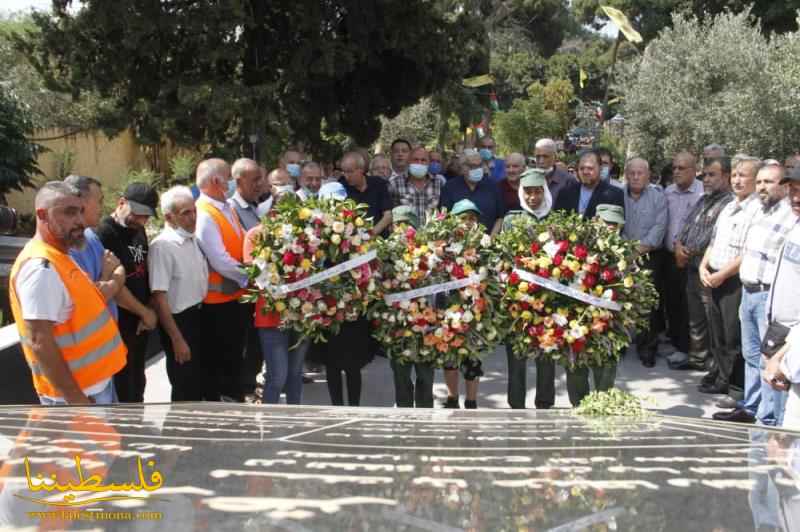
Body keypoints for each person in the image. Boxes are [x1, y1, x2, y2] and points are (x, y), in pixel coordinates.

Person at [9, 182, 126, 405]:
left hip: (94, 389)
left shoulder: (61, 256)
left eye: (81, 211)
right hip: (79, 399)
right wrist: (76, 400)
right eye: (69, 212)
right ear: (42, 215)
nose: (80, 221)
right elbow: (39, 341)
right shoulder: (40, 269)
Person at [713, 163, 795, 425]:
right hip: (748, 292)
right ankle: (751, 407)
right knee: (751, 356)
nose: (762, 187)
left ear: (783, 186)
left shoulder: (791, 216)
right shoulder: (759, 211)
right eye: (759, 182)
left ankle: (769, 418)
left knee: (768, 361)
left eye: (769, 182)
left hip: (767, 296)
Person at [697, 156, 761, 404]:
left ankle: (734, 384)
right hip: (712, 275)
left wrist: (722, 274)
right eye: (734, 175)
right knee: (718, 333)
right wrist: (704, 265)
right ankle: (721, 376)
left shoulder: (755, 210)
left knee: (732, 336)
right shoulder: (730, 206)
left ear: (755, 180)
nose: (737, 180)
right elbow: (714, 241)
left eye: (743, 175)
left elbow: (747, 252)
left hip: (732, 280)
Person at [95, 182, 159, 403]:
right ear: (121, 203)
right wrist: (145, 312)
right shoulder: (104, 233)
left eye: (146, 217)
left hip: (139, 323)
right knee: (123, 387)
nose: (141, 221)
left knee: (137, 382)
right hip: (119, 324)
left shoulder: (138, 230)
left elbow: (144, 272)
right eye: (137, 214)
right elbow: (114, 285)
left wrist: (147, 310)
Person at [673, 157, 734, 385]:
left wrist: (692, 251)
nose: (706, 179)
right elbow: (686, 226)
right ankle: (698, 358)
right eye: (704, 175)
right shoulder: (703, 200)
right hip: (689, 267)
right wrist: (678, 245)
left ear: (726, 176)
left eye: (712, 175)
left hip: (707, 269)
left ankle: (716, 368)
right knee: (695, 318)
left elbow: (714, 238)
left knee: (713, 323)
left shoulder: (729, 203)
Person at [195, 158, 250, 402]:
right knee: (223, 357)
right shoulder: (204, 214)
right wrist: (251, 275)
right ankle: (224, 402)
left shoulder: (226, 207)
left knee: (235, 354)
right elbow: (219, 259)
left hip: (235, 295)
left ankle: (234, 394)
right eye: (228, 177)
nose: (230, 182)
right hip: (218, 302)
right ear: (217, 181)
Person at [501, 168, 556, 409]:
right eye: (528, 192)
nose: (533, 197)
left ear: (545, 192)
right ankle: (516, 403)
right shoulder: (511, 220)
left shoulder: (556, 220)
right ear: (521, 193)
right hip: (518, 296)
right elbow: (503, 257)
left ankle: (544, 402)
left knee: (546, 350)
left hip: (548, 297)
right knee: (517, 353)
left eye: (537, 192)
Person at [148, 186, 209, 401]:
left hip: (199, 316)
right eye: (185, 213)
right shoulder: (163, 246)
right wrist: (177, 339)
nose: (193, 218)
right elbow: (159, 297)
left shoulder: (191, 239)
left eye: (194, 211)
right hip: (179, 322)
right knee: (185, 387)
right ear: (168, 217)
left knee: (199, 382)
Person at [564, 204, 626, 405]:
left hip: (609, 320)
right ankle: (579, 405)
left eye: (614, 225)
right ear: (594, 222)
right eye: (605, 222)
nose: (609, 228)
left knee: (606, 363)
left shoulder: (625, 251)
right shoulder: (579, 248)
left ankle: (601, 405)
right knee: (576, 363)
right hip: (579, 317)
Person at [242, 220, 310, 405]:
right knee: (277, 377)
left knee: (295, 375)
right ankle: (270, 423)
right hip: (271, 318)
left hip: (301, 314)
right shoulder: (255, 235)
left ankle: (295, 421)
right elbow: (252, 271)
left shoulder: (307, 236)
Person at [761, 168, 800, 429]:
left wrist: (782, 356)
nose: (795, 198)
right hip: (782, 331)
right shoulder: (795, 224)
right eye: (793, 190)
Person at [388, 205, 435, 408]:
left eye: (407, 225)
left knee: (425, 372)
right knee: (400, 373)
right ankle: (404, 408)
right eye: (398, 225)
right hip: (396, 322)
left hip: (425, 321)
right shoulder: (386, 252)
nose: (403, 230)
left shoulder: (428, 252)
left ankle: (425, 409)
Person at [622, 159, 668, 367]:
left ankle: (647, 348)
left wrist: (635, 252)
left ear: (648, 176)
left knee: (647, 305)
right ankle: (618, 343)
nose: (636, 176)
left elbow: (658, 230)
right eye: (631, 173)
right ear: (625, 175)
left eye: (640, 173)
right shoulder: (617, 195)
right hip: (619, 256)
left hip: (649, 257)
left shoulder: (659, 198)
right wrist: (623, 253)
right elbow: (613, 225)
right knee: (619, 301)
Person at [228, 158, 267, 398]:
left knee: (255, 343)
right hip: (241, 289)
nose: (259, 184)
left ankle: (250, 383)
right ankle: (245, 388)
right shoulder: (232, 209)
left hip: (257, 290)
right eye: (255, 180)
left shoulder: (253, 207)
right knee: (246, 344)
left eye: (260, 179)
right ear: (238, 181)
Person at [662, 151, 704, 367]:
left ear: (694, 170)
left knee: (691, 308)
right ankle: (679, 346)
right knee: (674, 304)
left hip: (692, 260)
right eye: (674, 168)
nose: (676, 172)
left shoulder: (702, 194)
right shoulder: (667, 192)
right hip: (669, 257)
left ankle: (691, 351)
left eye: (682, 168)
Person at [64, 175, 124, 321]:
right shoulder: (66, 247)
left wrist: (110, 282)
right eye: (99, 201)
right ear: (81, 203)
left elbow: (118, 268)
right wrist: (109, 277)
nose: (102, 207)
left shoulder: (90, 234)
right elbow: (89, 301)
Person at [439, 149, 506, 236]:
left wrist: (491, 239)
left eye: (479, 165)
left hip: (488, 242)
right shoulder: (450, 187)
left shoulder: (493, 186)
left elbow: (500, 217)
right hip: (457, 243)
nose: (477, 169)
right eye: (472, 166)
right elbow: (444, 217)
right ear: (462, 167)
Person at [552, 150, 625, 218]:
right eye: (582, 168)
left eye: (590, 168)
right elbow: (557, 219)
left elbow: (617, 225)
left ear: (600, 168)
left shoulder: (615, 194)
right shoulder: (565, 192)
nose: (585, 172)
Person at [339, 152, 393, 236]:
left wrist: (370, 235)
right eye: (344, 172)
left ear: (361, 170)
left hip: (380, 238)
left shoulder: (378, 183)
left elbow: (388, 216)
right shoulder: (342, 187)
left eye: (350, 172)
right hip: (354, 241)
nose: (346, 176)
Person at [388, 146, 442, 227]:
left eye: (423, 160)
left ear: (428, 163)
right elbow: (389, 213)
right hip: (405, 237)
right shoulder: (394, 184)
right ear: (409, 162)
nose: (419, 163)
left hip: (432, 237)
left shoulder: (438, 183)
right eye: (415, 160)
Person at [533, 138, 574, 204]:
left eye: (545, 156)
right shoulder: (528, 178)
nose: (541, 161)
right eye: (538, 156)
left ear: (555, 157)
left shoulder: (568, 181)